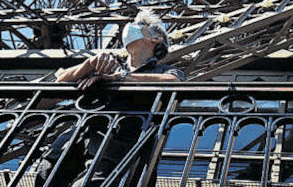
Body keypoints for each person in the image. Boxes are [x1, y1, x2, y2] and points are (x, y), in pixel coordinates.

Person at [36, 10, 184, 187]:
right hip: (79, 136)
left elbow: (175, 81)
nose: (130, 27)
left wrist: (121, 77)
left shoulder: (164, 71)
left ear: (156, 38)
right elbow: (57, 86)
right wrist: (90, 64)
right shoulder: (107, 65)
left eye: (140, 25)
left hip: (120, 144)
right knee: (46, 176)